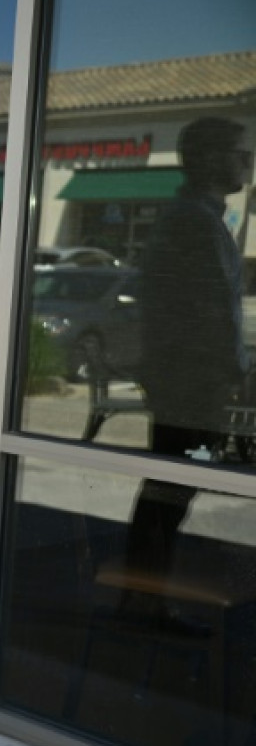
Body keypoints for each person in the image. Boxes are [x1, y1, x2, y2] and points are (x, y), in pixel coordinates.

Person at [124, 116, 251, 631]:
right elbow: (202, 313)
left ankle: (142, 601)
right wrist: (231, 371)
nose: (249, 162)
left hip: (193, 383)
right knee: (168, 491)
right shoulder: (193, 222)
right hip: (190, 386)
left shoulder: (204, 219)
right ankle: (141, 603)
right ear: (210, 159)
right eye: (241, 153)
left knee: (169, 492)